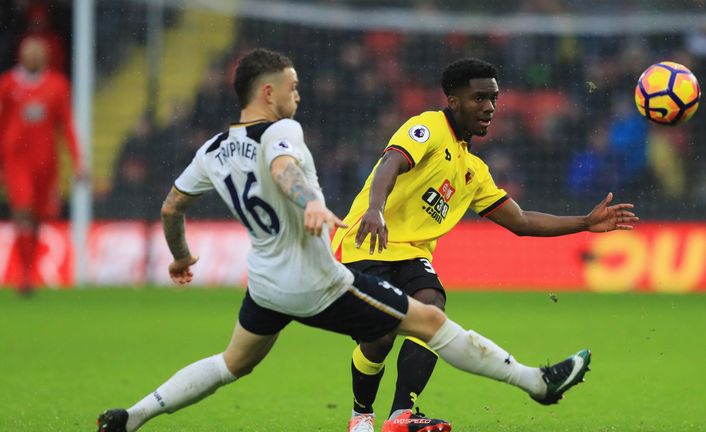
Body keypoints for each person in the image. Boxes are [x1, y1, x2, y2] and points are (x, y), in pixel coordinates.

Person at [96, 48, 595, 432]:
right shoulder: (281, 130)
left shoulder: (212, 149)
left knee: (232, 363)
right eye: (292, 87)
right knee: (431, 322)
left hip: (265, 283)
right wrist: (310, 201)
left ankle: (132, 416)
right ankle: (535, 382)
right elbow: (284, 167)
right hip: (315, 281)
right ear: (267, 92)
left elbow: (170, 207)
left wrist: (181, 256)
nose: (297, 96)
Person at [331, 58, 639, 432]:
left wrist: (585, 223)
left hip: (412, 253)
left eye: (493, 98)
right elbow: (390, 163)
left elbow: (521, 222)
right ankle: (361, 414)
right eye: (479, 98)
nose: (489, 107)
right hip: (367, 242)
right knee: (378, 337)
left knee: (432, 311)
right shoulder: (427, 126)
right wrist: (375, 210)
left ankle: (402, 416)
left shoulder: (474, 171)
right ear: (454, 100)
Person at [0, 36, 83, 295]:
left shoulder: (57, 85)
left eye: (39, 52)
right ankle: (24, 276)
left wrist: (78, 162)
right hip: (17, 161)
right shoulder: (7, 85)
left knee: (37, 218)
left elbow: (66, 125)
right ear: (21, 55)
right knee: (22, 210)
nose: (34, 57)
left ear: (46, 56)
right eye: (30, 52)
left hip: (46, 163)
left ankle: (28, 272)